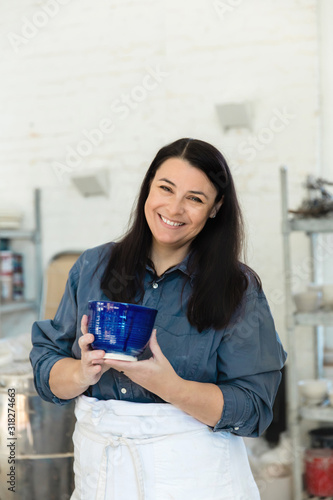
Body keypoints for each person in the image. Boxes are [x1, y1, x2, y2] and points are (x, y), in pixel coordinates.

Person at [30, 138, 287, 500]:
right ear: (148, 186)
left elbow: (255, 408)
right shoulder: (92, 267)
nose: (174, 208)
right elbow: (46, 364)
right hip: (101, 481)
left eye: (195, 198)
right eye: (165, 188)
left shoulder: (237, 288)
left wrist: (170, 386)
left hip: (198, 485)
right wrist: (80, 373)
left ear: (216, 208)